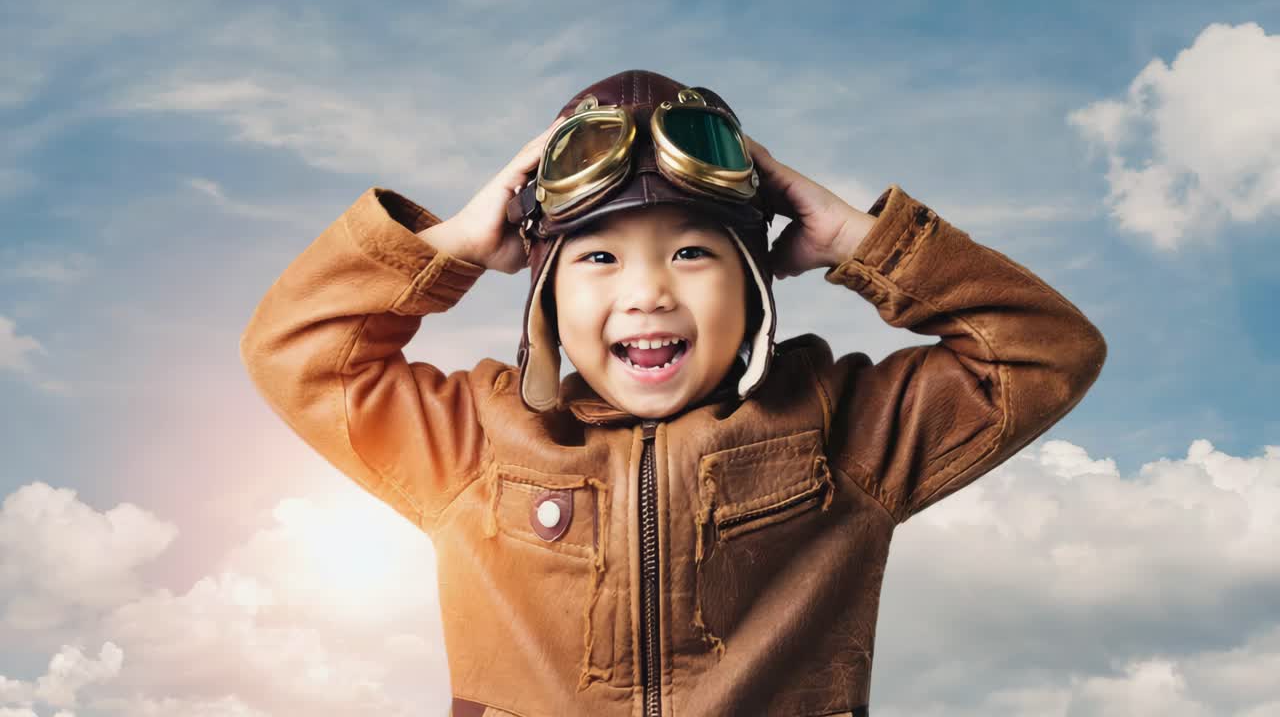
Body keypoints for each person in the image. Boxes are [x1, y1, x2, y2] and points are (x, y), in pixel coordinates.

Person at [239, 69, 1106, 717]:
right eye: (598, 257)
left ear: (757, 286)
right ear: (544, 297)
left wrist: (859, 238)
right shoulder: (474, 443)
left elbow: (1043, 353)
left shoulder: (848, 432)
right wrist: (453, 245)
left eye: (693, 252)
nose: (648, 291)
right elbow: (299, 351)